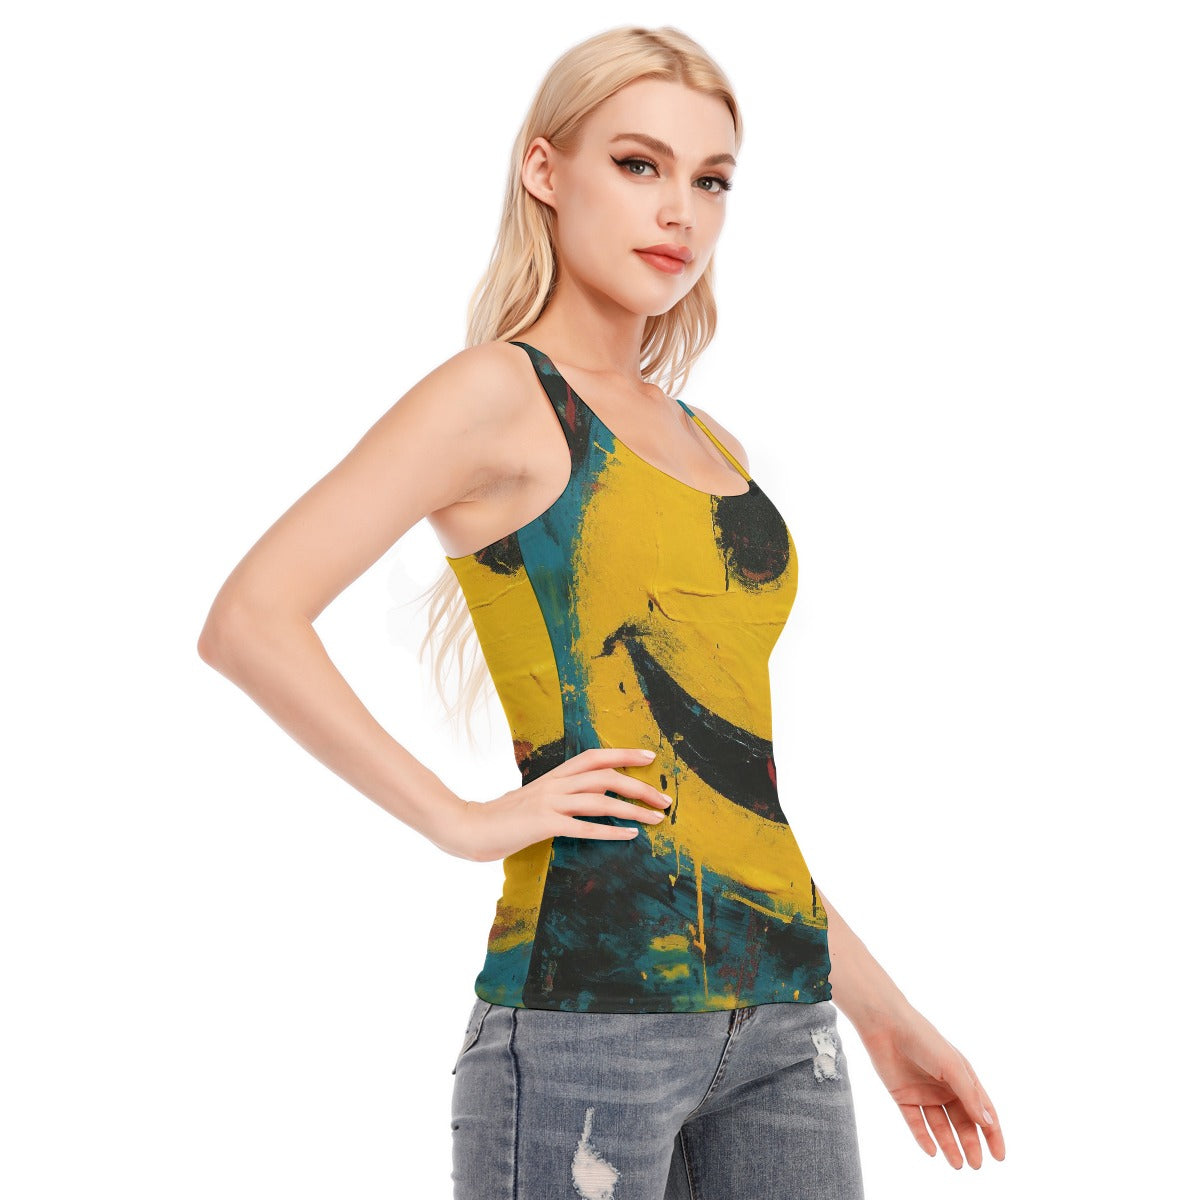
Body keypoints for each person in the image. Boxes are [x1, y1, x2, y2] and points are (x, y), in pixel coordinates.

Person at [198, 23, 1005, 1200]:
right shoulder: (497, 394)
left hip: (788, 1025)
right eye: (638, 164)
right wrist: (463, 820)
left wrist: (885, 1016)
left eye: (711, 180)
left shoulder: (710, 440)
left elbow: (731, 803)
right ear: (545, 169)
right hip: (589, 1023)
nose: (679, 210)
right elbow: (250, 618)